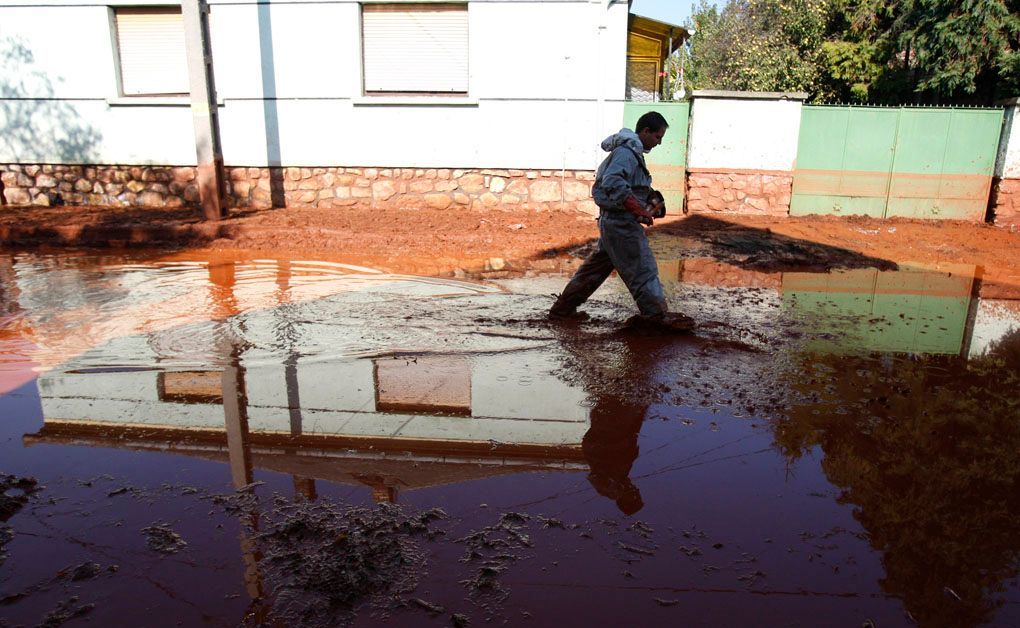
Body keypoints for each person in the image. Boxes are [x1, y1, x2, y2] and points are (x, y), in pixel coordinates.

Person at [549, 112, 692, 330]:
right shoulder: (627, 152)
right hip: (621, 222)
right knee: (642, 267)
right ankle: (655, 315)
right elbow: (613, 181)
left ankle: (563, 309)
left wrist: (648, 198)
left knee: (595, 269)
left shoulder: (630, 152)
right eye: (657, 137)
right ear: (645, 131)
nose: (659, 142)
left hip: (613, 221)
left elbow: (626, 184)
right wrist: (637, 209)